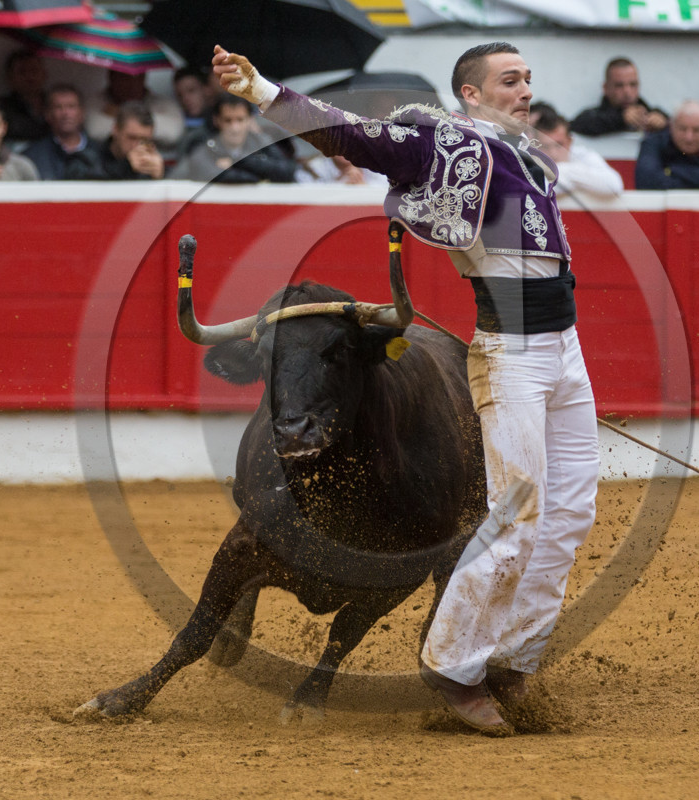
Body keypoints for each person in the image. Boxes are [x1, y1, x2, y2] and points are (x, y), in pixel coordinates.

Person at [214, 40, 600, 736]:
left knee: (571, 514)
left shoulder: (526, 157)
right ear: (470, 95)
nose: (525, 91)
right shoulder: (446, 143)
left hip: (564, 350)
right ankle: (451, 664)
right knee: (516, 517)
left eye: (528, 79)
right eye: (509, 81)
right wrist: (263, 91)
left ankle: (513, 657)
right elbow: (354, 136)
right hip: (512, 352)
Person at [171, 93, 296, 183]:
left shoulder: (261, 141)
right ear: (216, 120)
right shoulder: (201, 142)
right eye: (228, 120)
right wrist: (259, 176)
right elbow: (208, 173)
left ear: (250, 120)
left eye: (240, 120)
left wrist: (238, 162)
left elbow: (287, 171)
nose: (234, 128)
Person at [634, 100, 699, 190]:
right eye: (682, 129)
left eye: (696, 130)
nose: (689, 137)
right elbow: (646, 181)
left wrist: (672, 171)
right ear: (671, 126)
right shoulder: (654, 142)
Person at [530, 102, 622, 198]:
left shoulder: (582, 154)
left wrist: (565, 171)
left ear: (570, 141)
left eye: (559, 145)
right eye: (545, 146)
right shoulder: (528, 158)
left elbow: (614, 186)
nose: (553, 154)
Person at [85, 69, 183, 154]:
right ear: (111, 78)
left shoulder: (163, 104)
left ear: (144, 77)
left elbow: (172, 132)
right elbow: (94, 129)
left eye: (136, 77)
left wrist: (123, 113)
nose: (131, 84)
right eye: (124, 78)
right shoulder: (96, 102)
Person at [569, 57, 667, 137]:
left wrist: (662, 123)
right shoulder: (592, 117)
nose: (627, 92)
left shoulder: (654, 114)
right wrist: (621, 118)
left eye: (633, 84)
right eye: (619, 85)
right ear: (606, 88)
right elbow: (580, 124)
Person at [22, 85, 102, 180]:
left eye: (71, 106)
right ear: (48, 114)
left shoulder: (102, 153)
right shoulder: (32, 156)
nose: (65, 113)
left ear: (82, 113)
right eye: (58, 107)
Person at [94, 101, 164, 180]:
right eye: (132, 138)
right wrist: (127, 166)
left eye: (144, 140)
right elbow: (94, 182)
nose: (137, 145)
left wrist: (158, 178)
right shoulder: (92, 156)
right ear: (115, 129)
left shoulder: (150, 163)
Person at [0, 49, 50, 145]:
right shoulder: (1, 108)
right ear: (10, 77)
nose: (29, 76)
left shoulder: (55, 104)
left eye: (34, 70)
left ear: (44, 74)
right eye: (22, 72)